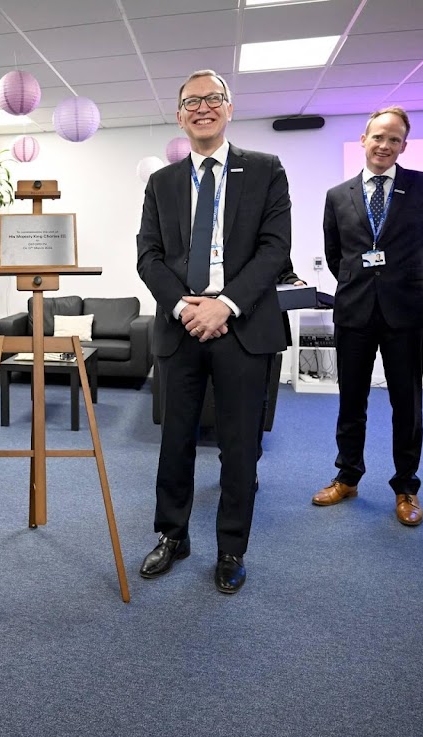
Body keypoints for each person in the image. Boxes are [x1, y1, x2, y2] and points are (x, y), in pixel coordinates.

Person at [137, 69, 291, 594]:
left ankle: (231, 549)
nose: (202, 107)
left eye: (212, 99)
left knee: (239, 445)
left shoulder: (266, 170)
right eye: (190, 102)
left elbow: (275, 250)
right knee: (175, 441)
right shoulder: (162, 182)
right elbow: (149, 256)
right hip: (181, 330)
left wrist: (224, 305)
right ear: (179, 115)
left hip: (242, 329)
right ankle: (172, 536)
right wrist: (186, 308)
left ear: (229, 108)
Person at [312, 106, 423, 526]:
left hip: (406, 311)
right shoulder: (339, 195)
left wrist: (401, 283)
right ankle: (347, 475)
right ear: (363, 140)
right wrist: (361, 283)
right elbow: (336, 254)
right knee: (351, 400)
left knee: (406, 402)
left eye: (394, 139)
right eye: (378, 137)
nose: (385, 145)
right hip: (354, 310)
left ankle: (406, 486)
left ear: (404, 145)